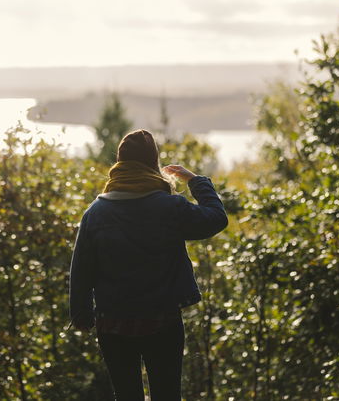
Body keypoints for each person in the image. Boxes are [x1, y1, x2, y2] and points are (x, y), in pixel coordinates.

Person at [69, 129, 228, 400]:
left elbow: (81, 270)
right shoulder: (169, 207)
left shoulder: (95, 213)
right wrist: (196, 180)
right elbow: (216, 218)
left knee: (126, 395)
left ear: (119, 164)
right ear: (152, 163)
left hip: (113, 324)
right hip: (162, 321)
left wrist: (82, 315)